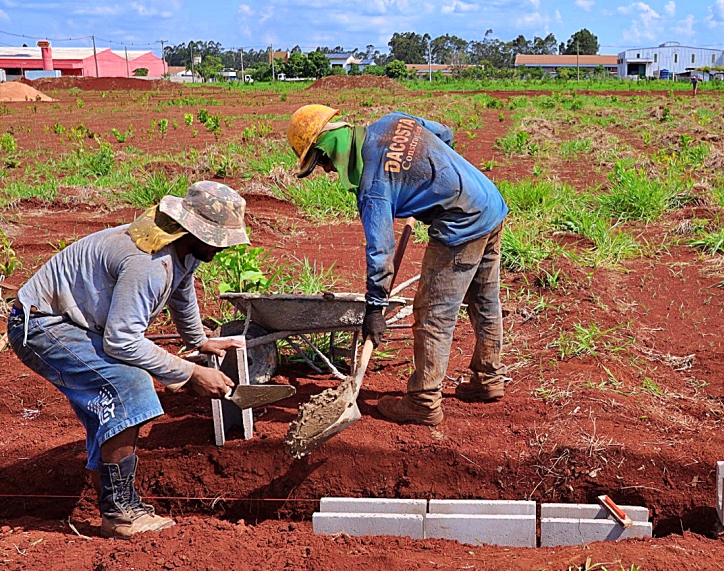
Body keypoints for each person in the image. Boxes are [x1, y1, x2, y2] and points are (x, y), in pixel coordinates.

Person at [9, 181, 250, 539]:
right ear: (194, 229)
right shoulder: (149, 264)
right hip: (42, 324)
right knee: (130, 384)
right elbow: (121, 341)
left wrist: (200, 341)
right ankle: (120, 513)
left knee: (111, 398)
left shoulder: (178, 245)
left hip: (71, 320)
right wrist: (189, 372)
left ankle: (112, 498)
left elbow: (181, 293)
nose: (221, 245)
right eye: (217, 237)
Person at [286, 105, 508, 426]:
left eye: (321, 163)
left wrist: (375, 309)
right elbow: (445, 133)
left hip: (461, 224)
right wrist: (431, 178)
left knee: (433, 312)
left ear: (328, 148)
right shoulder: (393, 122)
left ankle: (423, 400)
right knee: (485, 300)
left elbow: (381, 251)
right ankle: (489, 379)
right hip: (488, 201)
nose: (327, 171)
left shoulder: (373, 187)